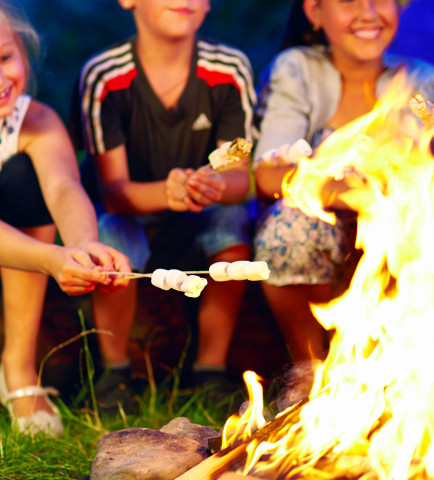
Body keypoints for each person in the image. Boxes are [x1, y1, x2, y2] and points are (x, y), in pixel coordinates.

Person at [70, 0, 256, 412]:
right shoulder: (104, 77)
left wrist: (213, 184)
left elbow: (240, 173)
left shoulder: (229, 70)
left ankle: (210, 370)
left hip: (202, 211)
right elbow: (113, 190)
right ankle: (114, 373)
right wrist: (168, 193)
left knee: (233, 225)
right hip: (132, 208)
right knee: (110, 236)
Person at [252, 0, 434, 368]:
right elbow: (269, 175)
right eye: (348, 2)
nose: (368, 12)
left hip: (397, 231)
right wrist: (358, 194)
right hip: (321, 226)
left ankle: (397, 368)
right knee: (287, 229)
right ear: (315, 12)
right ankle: (309, 365)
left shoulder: (424, 81)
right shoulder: (297, 71)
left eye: (380, 0)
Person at [0, 1, 130, 436]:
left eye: (4, 57)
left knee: (25, 177)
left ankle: (17, 366)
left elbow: (62, 187)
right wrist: (50, 259)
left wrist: (81, 245)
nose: (1, 80)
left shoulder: (34, 120)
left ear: (21, 47)